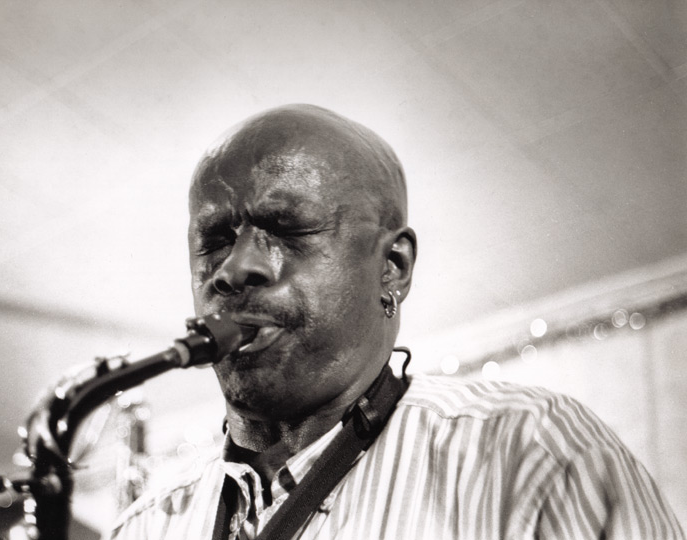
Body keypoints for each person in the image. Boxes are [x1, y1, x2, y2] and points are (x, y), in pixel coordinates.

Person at [110, 105, 684, 539]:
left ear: (392, 267)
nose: (235, 270)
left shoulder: (530, 451)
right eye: (213, 242)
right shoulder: (142, 527)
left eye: (287, 229)